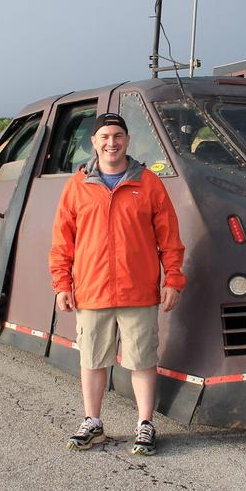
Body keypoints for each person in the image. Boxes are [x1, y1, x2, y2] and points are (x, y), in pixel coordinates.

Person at [49, 112, 185, 456]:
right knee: (92, 360)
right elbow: (62, 241)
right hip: (92, 290)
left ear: (127, 140)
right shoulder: (77, 186)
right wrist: (62, 284)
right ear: (94, 142)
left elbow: (169, 237)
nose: (112, 142)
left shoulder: (149, 184)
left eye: (118, 136)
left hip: (138, 290)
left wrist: (174, 278)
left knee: (141, 360)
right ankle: (92, 422)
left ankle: (145, 424)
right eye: (105, 136)